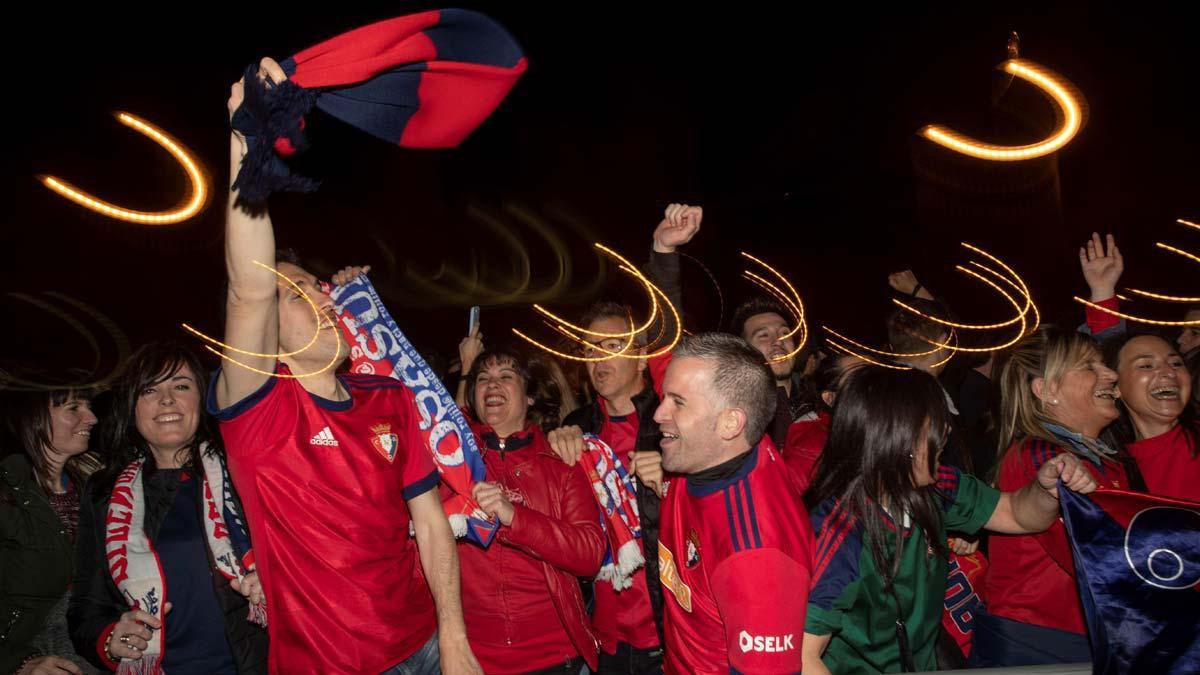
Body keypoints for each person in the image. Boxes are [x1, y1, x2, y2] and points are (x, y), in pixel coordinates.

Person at [212, 59, 475, 674]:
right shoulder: (260, 412)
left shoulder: (388, 397)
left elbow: (432, 526)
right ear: (269, 337)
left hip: (429, 648)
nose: (326, 297)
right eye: (300, 292)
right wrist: (247, 145)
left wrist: (455, 640)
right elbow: (248, 290)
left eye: (322, 288)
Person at [801, 365, 1098, 673]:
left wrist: (1046, 488)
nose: (946, 431)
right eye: (935, 421)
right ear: (897, 434)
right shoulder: (838, 529)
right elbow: (804, 656)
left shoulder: (936, 486)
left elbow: (1018, 515)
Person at [552, 202, 701, 674]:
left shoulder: (671, 421)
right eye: (591, 348)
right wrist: (557, 453)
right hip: (602, 636)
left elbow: (716, 499)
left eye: (614, 347)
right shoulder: (576, 426)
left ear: (642, 359)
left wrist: (662, 253)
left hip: (669, 629)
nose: (600, 359)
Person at [69, 342, 268, 673]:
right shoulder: (103, 493)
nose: (166, 399)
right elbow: (85, 607)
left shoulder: (246, 473)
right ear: (132, 406)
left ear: (202, 399)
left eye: (180, 386)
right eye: (150, 389)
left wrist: (273, 579)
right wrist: (108, 640)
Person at [653, 333, 813, 673]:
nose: (658, 413)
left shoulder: (756, 556)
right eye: (664, 396)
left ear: (730, 423)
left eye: (676, 402)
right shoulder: (708, 447)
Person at [974, 326, 1132, 666]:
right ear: (1047, 390)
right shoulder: (1042, 460)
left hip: (1072, 642)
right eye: (1091, 367)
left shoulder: (1103, 460)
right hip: (1039, 648)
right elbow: (1102, 560)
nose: (1111, 374)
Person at [457, 345, 605, 673]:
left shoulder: (560, 464)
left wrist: (516, 518)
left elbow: (590, 553)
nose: (492, 385)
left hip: (555, 657)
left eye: (506, 377)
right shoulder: (455, 461)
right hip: (473, 659)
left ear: (529, 398)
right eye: (483, 379)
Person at [1, 384, 102, 675]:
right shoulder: (6, 493)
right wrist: (16, 662)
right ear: (33, 417)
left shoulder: (98, 485)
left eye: (88, 406)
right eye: (74, 408)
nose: (92, 417)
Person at [729, 297, 809, 449]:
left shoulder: (820, 404)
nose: (778, 341)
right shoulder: (735, 417)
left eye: (784, 332)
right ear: (744, 351)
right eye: (764, 335)